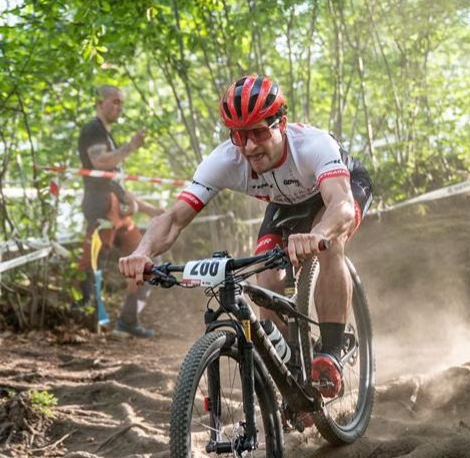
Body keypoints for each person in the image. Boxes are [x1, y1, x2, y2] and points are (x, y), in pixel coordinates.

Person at [119, 74, 373, 397]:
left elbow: (341, 205)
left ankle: (332, 352)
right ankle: (296, 371)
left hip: (340, 190)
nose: (249, 146)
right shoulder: (225, 159)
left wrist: (319, 232)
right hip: (285, 203)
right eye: (238, 135)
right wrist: (142, 252)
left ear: (281, 124)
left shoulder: (313, 145)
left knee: (330, 245)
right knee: (266, 280)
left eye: (258, 132)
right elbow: (172, 219)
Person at [78, 85, 163, 338]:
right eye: (114, 101)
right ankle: (86, 324)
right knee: (95, 263)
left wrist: (150, 210)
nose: (119, 107)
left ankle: (128, 321)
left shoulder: (107, 136)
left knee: (148, 261)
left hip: (117, 208)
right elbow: (100, 162)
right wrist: (131, 146)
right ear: (100, 102)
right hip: (100, 205)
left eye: (121, 103)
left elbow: (117, 185)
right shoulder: (93, 129)